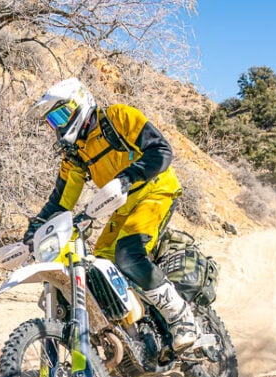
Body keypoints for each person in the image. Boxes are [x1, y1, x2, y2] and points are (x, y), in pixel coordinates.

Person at [22, 77, 198, 351]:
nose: (59, 126)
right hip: (121, 206)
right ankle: (133, 332)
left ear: (80, 103)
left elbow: (161, 151)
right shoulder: (75, 155)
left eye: (61, 116)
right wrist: (30, 236)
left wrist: (128, 177)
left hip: (155, 191)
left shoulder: (119, 118)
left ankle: (181, 318)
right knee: (99, 267)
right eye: (53, 122)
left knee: (128, 253)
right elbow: (60, 202)